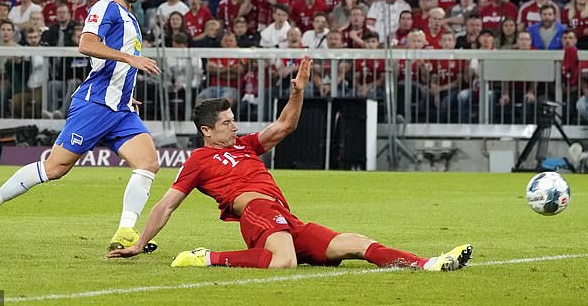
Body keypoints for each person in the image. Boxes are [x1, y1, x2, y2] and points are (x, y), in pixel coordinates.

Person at [108, 56, 472, 271]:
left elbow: (285, 126)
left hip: (284, 216)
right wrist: (140, 243)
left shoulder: (245, 145)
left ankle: (428, 264)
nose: (235, 126)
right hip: (257, 213)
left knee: (355, 243)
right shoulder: (200, 159)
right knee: (283, 262)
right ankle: (207, 257)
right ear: (206, 130)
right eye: (227, 123)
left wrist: (297, 91)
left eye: (234, 119)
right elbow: (167, 203)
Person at [0, 0, 163, 254]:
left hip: (121, 109)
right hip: (94, 105)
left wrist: (126, 89)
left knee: (148, 162)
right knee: (55, 168)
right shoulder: (104, 8)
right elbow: (86, 44)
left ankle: (124, 230)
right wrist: (131, 58)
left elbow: (112, 65)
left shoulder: (131, 17)